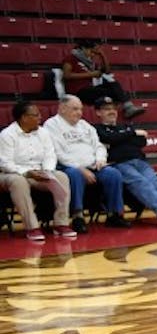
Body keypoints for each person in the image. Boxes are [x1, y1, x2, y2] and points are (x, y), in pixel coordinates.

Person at [44, 94, 129, 231]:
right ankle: (78, 216)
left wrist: (100, 160)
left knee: (113, 174)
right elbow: (57, 154)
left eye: (81, 109)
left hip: (93, 165)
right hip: (67, 166)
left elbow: (99, 146)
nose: (79, 113)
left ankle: (114, 214)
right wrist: (80, 169)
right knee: (74, 174)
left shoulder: (85, 125)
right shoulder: (51, 125)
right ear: (63, 108)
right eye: (75, 109)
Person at [93, 97, 157, 225]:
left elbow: (141, 141)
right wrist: (131, 134)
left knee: (155, 182)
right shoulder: (97, 129)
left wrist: (121, 138)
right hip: (120, 163)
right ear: (98, 112)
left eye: (114, 109)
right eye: (106, 109)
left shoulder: (125, 127)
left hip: (140, 161)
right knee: (140, 182)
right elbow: (109, 138)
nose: (112, 111)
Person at [0, 98, 74, 240]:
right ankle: (32, 227)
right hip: (11, 174)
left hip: (39, 173)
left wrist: (47, 170)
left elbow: (50, 155)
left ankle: (61, 223)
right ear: (24, 118)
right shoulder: (7, 135)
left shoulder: (43, 132)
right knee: (18, 181)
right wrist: (27, 173)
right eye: (36, 115)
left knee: (62, 177)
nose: (40, 118)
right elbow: (5, 163)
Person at [61, 40, 145, 119]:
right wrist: (90, 74)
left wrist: (102, 55)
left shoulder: (90, 62)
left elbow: (107, 71)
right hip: (78, 92)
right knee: (113, 94)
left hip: (90, 90)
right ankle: (125, 109)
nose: (93, 55)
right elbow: (67, 75)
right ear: (83, 49)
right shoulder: (71, 58)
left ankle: (128, 107)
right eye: (92, 51)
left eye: (95, 53)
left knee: (114, 85)